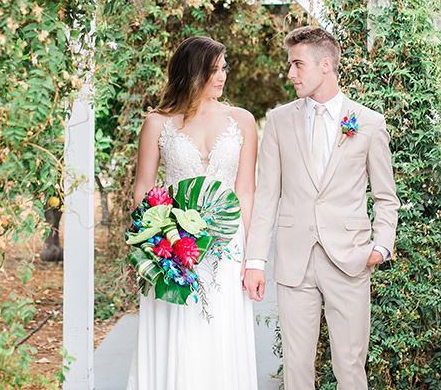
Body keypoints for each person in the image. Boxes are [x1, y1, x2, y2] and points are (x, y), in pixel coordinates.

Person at [243, 26, 399, 390]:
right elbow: (266, 195)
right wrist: (254, 262)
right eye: (290, 65)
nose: (290, 73)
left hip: (349, 259)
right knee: (297, 368)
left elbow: (386, 197)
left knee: (349, 365)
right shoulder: (279, 121)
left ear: (325, 64)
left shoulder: (369, 123)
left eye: (297, 65)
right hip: (295, 261)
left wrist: (381, 246)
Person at [126, 35, 259, 390]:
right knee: (176, 328)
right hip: (172, 245)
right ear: (191, 73)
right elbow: (143, 187)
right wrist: (159, 235)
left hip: (227, 245)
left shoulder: (243, 120)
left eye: (223, 69)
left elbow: (246, 190)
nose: (221, 77)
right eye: (212, 70)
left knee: (220, 329)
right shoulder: (157, 122)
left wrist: (250, 256)